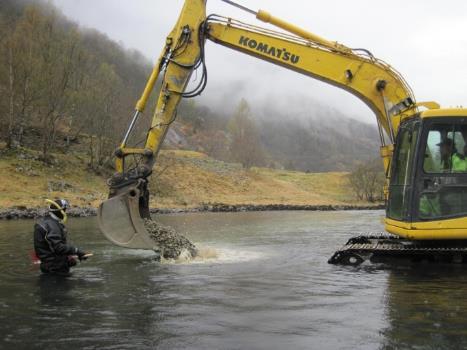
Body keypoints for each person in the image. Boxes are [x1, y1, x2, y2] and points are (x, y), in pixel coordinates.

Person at [33, 199, 88, 276]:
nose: (65, 212)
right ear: (60, 211)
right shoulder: (52, 225)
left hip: (48, 267)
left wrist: (68, 258)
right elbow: (58, 247)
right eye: (65, 210)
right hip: (55, 269)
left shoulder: (45, 222)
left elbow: (50, 249)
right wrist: (77, 251)